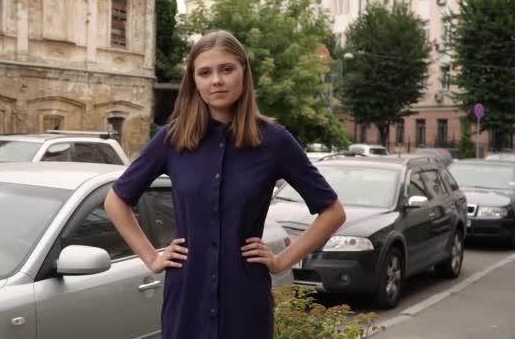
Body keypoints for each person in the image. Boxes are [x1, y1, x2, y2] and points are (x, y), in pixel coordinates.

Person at [104, 30, 346, 339]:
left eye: (226, 69)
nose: (216, 80)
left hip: (245, 303)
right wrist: (152, 257)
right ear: (194, 82)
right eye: (205, 72)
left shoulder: (274, 142)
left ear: (244, 73)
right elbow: (116, 200)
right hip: (187, 300)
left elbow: (332, 212)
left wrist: (281, 260)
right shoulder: (172, 139)